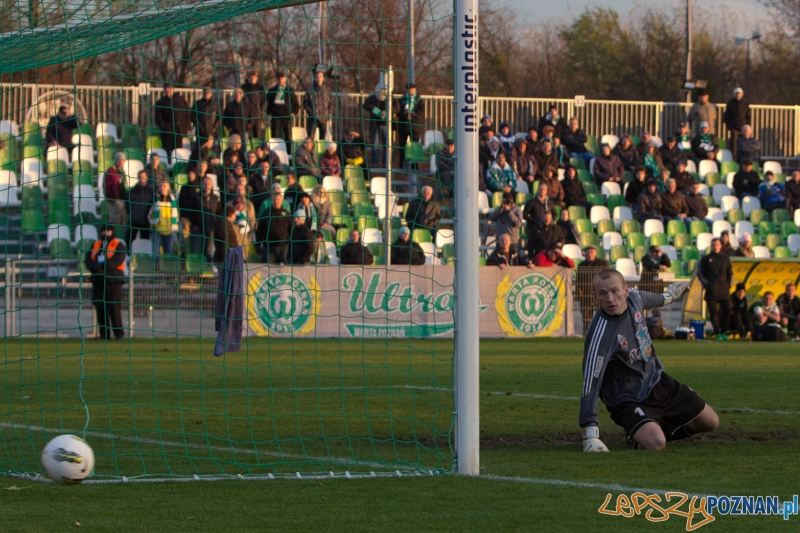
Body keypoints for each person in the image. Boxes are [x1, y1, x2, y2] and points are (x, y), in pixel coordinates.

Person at [579, 269, 718, 452]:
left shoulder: (635, 298)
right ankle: (640, 436)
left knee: (711, 422)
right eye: (603, 293)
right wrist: (590, 434)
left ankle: (651, 428)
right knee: (656, 443)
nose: (610, 299)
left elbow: (658, 299)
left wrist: (671, 295)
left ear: (626, 290)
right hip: (627, 398)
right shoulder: (600, 334)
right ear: (594, 296)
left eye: (614, 291)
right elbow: (591, 382)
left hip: (656, 380)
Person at [85, 225, 127, 341]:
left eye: (108, 231)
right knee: (100, 308)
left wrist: (103, 266)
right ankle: (104, 334)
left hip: (113, 281)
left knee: (114, 308)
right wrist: (95, 267)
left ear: (112, 232)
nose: (106, 233)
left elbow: (118, 258)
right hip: (98, 281)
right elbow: (88, 259)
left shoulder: (118, 244)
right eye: (104, 231)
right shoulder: (95, 245)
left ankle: (119, 334)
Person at [697, 238, 733, 340]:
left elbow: (730, 272)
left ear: (721, 245)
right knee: (713, 312)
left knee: (728, 309)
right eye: (713, 245)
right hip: (711, 290)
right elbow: (700, 273)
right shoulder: (705, 259)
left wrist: (729, 284)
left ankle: (723, 331)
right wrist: (706, 283)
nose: (715, 247)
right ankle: (717, 333)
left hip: (724, 289)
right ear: (711, 246)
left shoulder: (725, 258)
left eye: (717, 244)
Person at [575, 246, 609, 334]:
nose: (590, 254)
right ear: (584, 254)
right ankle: (587, 333)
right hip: (586, 294)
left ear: (595, 253)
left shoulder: (603, 263)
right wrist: (579, 294)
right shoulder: (581, 265)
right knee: (586, 316)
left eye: (592, 252)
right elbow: (578, 281)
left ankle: (601, 333)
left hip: (600, 294)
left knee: (602, 314)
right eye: (588, 252)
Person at [362, 81, 393, 168]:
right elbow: (365, 105)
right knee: (375, 145)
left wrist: (388, 111)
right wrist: (374, 109)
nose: (381, 94)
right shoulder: (373, 98)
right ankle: (375, 163)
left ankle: (385, 163)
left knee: (386, 146)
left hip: (387, 125)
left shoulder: (389, 99)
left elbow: (396, 107)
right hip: (375, 125)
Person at [154, 83, 191, 155]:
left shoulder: (181, 100)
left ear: (173, 89)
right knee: (167, 152)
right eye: (166, 88)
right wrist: (165, 127)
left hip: (179, 132)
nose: (168, 90)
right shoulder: (161, 102)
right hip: (167, 133)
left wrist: (186, 126)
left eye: (169, 88)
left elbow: (187, 113)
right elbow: (158, 118)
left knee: (178, 152)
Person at [258, 189, 291, 264]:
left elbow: (291, 229)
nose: (276, 201)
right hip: (269, 247)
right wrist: (258, 244)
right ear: (271, 200)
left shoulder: (287, 214)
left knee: (282, 270)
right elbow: (260, 230)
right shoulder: (266, 213)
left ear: (282, 200)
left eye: (278, 199)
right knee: (268, 270)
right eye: (274, 199)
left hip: (283, 247)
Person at [148, 180, 179, 258]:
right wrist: (152, 222)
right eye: (161, 186)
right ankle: (155, 269)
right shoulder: (155, 199)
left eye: (164, 186)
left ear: (168, 187)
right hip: (157, 230)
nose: (162, 188)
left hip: (169, 230)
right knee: (155, 253)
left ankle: (167, 270)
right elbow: (149, 213)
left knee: (168, 253)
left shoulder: (173, 200)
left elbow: (176, 215)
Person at [397, 82, 425, 167]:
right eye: (409, 89)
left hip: (415, 126)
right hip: (404, 126)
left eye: (413, 89)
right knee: (402, 145)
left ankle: (414, 164)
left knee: (414, 145)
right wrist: (405, 114)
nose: (411, 91)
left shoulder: (419, 100)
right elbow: (398, 111)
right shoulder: (402, 99)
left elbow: (421, 111)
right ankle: (402, 163)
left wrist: (414, 114)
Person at [266, 72, 300, 141]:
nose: (280, 80)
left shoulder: (290, 90)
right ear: (277, 79)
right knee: (275, 136)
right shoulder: (271, 91)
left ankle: (288, 151)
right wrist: (269, 112)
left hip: (287, 116)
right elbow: (268, 103)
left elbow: (296, 103)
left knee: (288, 136)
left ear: (285, 79)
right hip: (276, 116)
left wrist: (294, 112)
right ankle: (275, 151)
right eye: (279, 78)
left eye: (282, 78)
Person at [303, 70, 335, 140]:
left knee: (322, 140)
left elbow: (331, 103)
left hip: (323, 119)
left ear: (323, 78)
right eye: (317, 77)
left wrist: (327, 114)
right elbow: (305, 103)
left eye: (320, 76)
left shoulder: (327, 90)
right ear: (314, 78)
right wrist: (312, 113)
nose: (319, 78)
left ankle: (321, 151)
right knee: (310, 139)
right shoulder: (309, 89)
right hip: (312, 118)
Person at [178, 169, 203, 255]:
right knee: (184, 242)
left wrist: (197, 222)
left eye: (192, 173)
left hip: (197, 222)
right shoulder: (184, 188)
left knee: (196, 244)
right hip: (186, 221)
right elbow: (180, 202)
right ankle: (184, 260)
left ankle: (194, 261)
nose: (190, 175)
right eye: (189, 173)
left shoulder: (200, 188)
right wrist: (182, 216)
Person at [191, 87, 219, 158]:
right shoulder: (197, 104)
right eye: (205, 93)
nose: (206, 94)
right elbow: (192, 116)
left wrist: (214, 129)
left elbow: (219, 118)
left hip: (211, 133)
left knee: (212, 153)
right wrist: (199, 125)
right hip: (200, 132)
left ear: (211, 94)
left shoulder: (215, 104)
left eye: (208, 93)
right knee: (199, 153)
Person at [723, 88, 750, 160]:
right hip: (734, 127)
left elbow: (748, 115)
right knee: (734, 145)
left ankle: (743, 158)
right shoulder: (730, 103)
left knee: (744, 144)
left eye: (739, 93)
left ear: (742, 94)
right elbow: (727, 116)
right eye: (736, 93)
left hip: (743, 128)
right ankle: (734, 159)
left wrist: (748, 127)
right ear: (734, 94)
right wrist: (729, 127)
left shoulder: (745, 103)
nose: (738, 95)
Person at [128, 170, 154, 244]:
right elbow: (128, 204)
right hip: (134, 220)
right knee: (130, 240)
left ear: (146, 177)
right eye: (140, 177)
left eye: (143, 176)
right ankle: (129, 255)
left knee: (145, 241)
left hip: (145, 220)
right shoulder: (133, 190)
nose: (142, 178)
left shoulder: (151, 191)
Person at [200, 176, 221, 263]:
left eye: (209, 183)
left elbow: (219, 212)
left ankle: (208, 267)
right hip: (199, 228)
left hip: (211, 228)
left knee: (208, 250)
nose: (206, 185)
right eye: (205, 183)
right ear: (201, 184)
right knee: (198, 249)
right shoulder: (197, 197)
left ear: (212, 185)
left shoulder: (216, 198)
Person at [103, 153, 127, 227]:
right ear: (116, 161)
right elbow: (107, 186)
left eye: (122, 160)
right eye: (119, 160)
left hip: (122, 200)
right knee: (114, 222)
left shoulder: (122, 172)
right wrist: (112, 200)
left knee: (122, 222)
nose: (121, 162)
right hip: (114, 201)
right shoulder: (110, 171)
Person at [241, 71, 266, 141]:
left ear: (257, 78)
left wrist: (260, 111)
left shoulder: (260, 88)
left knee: (257, 135)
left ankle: (257, 149)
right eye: (251, 78)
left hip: (257, 114)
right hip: (246, 115)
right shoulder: (244, 87)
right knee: (246, 134)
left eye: (254, 78)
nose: (252, 79)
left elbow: (264, 101)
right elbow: (241, 100)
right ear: (248, 78)